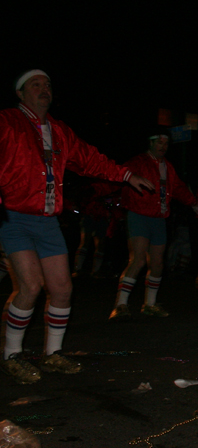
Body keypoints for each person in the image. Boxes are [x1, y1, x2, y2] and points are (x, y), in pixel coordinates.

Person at [0, 69, 153, 384]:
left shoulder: (59, 131)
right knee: (29, 286)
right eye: (35, 85)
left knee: (63, 288)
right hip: (13, 216)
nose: (44, 89)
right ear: (20, 93)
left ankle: (52, 354)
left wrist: (126, 176)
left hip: (47, 220)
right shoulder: (6, 122)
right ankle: (11, 355)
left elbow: (91, 159)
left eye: (48, 85)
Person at [109, 132, 198, 320]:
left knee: (158, 263)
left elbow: (178, 188)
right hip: (139, 215)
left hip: (159, 217)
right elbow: (118, 175)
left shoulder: (168, 166)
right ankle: (120, 304)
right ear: (150, 143)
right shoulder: (138, 162)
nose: (163, 146)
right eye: (159, 142)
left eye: (166, 143)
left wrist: (193, 203)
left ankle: (149, 304)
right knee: (138, 259)